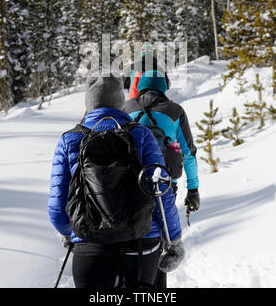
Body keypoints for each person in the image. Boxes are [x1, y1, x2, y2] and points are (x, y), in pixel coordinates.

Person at [48, 72, 184, 288]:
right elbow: (160, 190)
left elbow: (57, 206)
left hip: (90, 244)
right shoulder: (141, 134)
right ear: (120, 102)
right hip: (141, 243)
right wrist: (173, 240)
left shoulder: (70, 139)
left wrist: (68, 232)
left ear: (89, 102)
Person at [123, 70, 200, 287]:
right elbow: (189, 153)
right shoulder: (175, 111)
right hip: (163, 188)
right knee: (158, 244)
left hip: (127, 189)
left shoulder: (125, 109)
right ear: (164, 86)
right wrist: (193, 189)